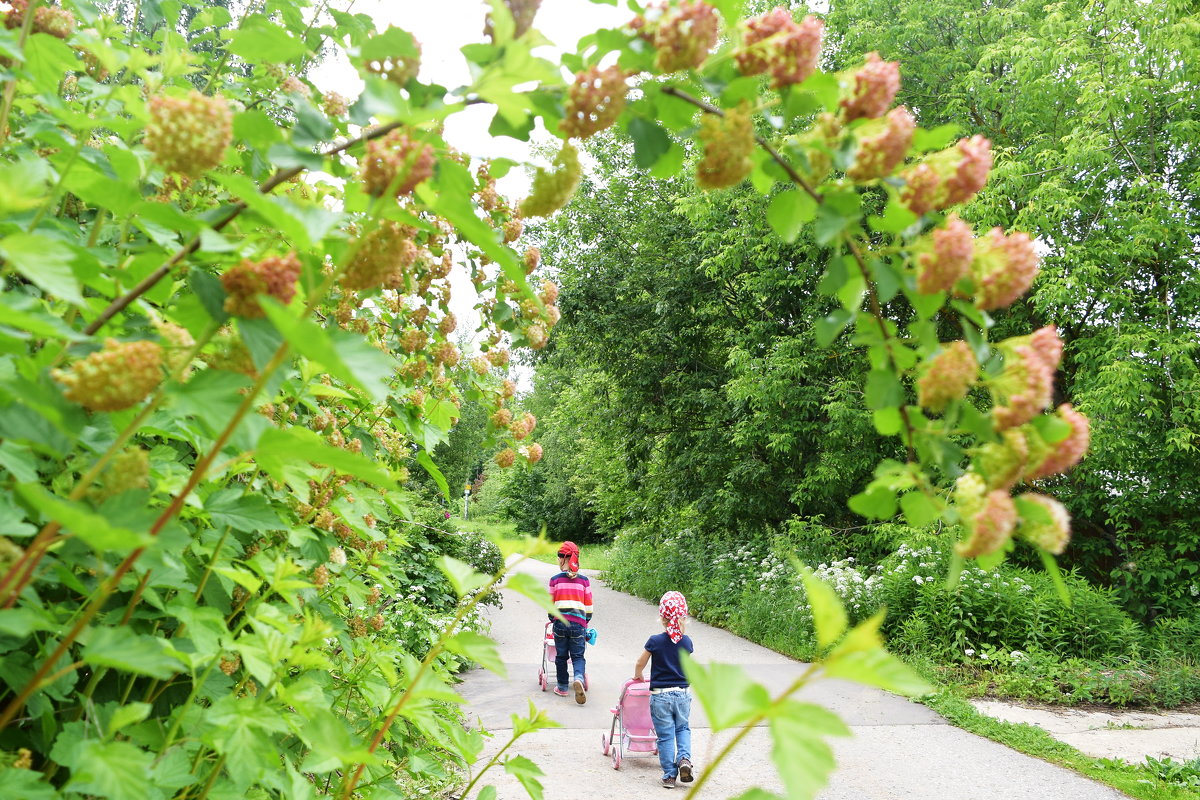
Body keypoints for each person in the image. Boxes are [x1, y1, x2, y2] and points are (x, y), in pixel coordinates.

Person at [633, 591, 695, 789]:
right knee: (683, 728)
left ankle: (669, 775)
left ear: (662, 617)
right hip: (683, 693)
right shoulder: (687, 642)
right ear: (684, 617)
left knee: (666, 735)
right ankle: (684, 759)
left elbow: (640, 662)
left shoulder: (655, 641)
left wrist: (638, 675)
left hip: (661, 696)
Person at [548, 541, 592, 704]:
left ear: (562, 558)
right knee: (578, 655)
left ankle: (562, 687)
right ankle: (579, 678)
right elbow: (588, 606)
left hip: (560, 624)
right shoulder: (584, 581)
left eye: (559, 556)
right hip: (578, 624)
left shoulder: (555, 580)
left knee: (561, 656)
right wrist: (585, 621)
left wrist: (552, 618)